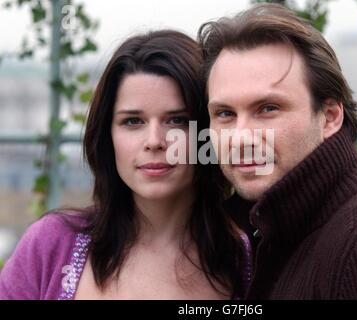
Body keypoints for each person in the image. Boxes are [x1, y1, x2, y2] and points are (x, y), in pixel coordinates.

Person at [198, 3, 357, 299]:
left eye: (268, 108)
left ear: (330, 117)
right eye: (225, 114)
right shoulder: (266, 234)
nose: (240, 138)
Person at [0, 30, 251, 300]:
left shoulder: (247, 261)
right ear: (108, 136)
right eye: (133, 122)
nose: (154, 141)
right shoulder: (51, 244)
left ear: (208, 132)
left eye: (177, 120)